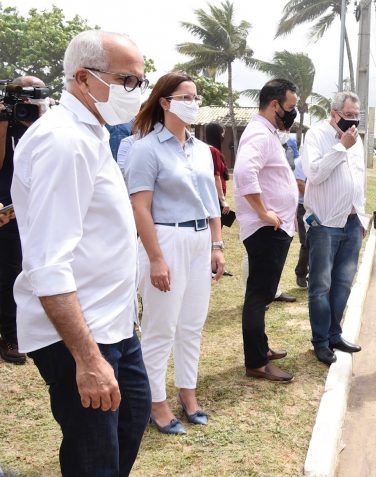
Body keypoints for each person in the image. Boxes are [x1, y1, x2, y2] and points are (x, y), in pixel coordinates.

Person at [11, 30, 150, 476]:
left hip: (112, 324)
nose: (138, 92)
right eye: (127, 80)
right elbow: (47, 264)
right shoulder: (64, 142)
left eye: (141, 81)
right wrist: (88, 360)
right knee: (95, 460)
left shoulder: (92, 134)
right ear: (83, 79)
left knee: (129, 423)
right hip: (80, 334)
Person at [126, 72, 224, 434]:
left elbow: (212, 203)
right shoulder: (145, 149)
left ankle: (188, 392)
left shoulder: (201, 151)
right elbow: (140, 207)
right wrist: (155, 258)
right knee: (160, 327)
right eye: (186, 96)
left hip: (200, 240)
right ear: (165, 103)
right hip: (165, 239)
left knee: (191, 324)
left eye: (196, 96)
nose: (193, 102)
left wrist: (217, 245)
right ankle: (156, 402)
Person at [234, 78, 299, 382]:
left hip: (273, 227)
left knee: (263, 293)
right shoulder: (259, 134)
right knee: (259, 296)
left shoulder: (268, 132)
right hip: (265, 229)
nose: (293, 113)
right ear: (275, 105)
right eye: (291, 107)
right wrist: (264, 212)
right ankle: (257, 362)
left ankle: (262, 348)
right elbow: (245, 173)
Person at [300, 91, 368, 365]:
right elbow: (314, 174)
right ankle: (320, 341)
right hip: (325, 222)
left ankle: (334, 333)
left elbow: (359, 178)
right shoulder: (315, 135)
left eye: (356, 116)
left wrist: (361, 217)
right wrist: (341, 146)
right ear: (334, 113)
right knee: (321, 285)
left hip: (352, 223)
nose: (353, 121)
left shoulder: (357, 138)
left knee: (343, 283)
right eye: (348, 115)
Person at [0, 75, 48, 364]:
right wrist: (3, 123)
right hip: (7, 209)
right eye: (25, 95)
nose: (31, 102)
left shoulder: (48, 125)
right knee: (8, 273)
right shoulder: (7, 122)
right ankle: (11, 334)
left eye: (37, 95)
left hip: (36, 210)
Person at [206, 122, 231, 215]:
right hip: (215, 198)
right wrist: (222, 200)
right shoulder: (213, 151)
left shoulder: (210, 150)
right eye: (222, 133)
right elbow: (216, 176)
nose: (223, 136)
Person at [293, 148, 310, 289]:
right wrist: (314, 198)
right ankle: (301, 273)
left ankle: (314, 273)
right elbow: (300, 184)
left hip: (319, 208)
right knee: (306, 242)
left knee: (318, 240)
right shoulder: (300, 162)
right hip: (304, 207)